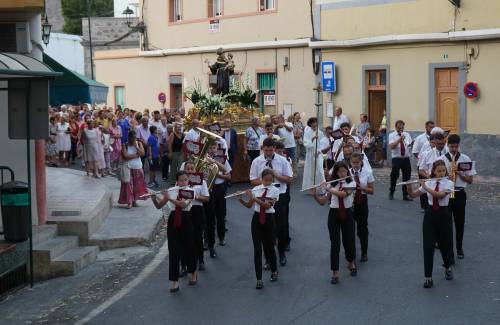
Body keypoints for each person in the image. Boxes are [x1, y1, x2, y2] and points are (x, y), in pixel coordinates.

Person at [408, 160, 454, 288]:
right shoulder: (429, 182)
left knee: (445, 244)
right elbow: (413, 195)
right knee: (428, 246)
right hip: (430, 216)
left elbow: (439, 196)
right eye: (438, 171)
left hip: (444, 215)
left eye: (443, 171)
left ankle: (448, 267)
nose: (441, 173)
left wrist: (426, 187)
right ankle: (428, 277)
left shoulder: (449, 183)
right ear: (433, 171)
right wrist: (408, 186)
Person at [150, 171, 198, 292]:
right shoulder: (172, 190)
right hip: (173, 220)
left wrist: (169, 198)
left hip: (186, 218)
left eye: (185, 180)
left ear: (188, 180)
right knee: (173, 250)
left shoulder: (190, 191)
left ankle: (192, 272)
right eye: (181, 180)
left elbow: (182, 205)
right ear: (177, 181)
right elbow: (159, 206)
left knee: (189, 248)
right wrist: (153, 198)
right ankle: (174, 281)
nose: (183, 182)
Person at [311, 161, 357, 284]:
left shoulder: (351, 182)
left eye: (344, 171)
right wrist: (314, 195)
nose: (343, 173)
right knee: (335, 243)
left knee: (349, 240)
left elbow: (344, 195)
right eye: (340, 171)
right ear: (336, 173)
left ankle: (351, 262)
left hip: (347, 213)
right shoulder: (332, 184)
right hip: (334, 214)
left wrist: (328, 188)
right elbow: (322, 202)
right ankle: (335, 272)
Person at [250, 138, 293, 266]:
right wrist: (266, 182)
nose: (268, 153)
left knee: (280, 226)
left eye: (271, 150)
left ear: (274, 148)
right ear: (263, 148)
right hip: (263, 197)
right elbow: (252, 180)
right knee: (266, 228)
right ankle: (268, 258)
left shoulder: (282, 160)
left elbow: (289, 179)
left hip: (279, 196)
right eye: (266, 150)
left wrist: (276, 176)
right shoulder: (257, 161)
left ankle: (281, 253)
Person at [237, 169, 280, 289]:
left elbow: (267, 206)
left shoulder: (275, 190)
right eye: (265, 180)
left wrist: (254, 198)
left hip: (269, 219)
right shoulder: (256, 189)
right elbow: (249, 205)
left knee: (270, 247)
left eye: (270, 180)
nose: (267, 183)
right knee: (257, 250)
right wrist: (240, 199)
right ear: (261, 179)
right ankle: (259, 279)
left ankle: (274, 271)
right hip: (256, 220)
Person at [438, 134, 476, 261]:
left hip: (459, 193)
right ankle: (449, 252)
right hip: (447, 193)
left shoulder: (465, 159)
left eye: (456, 146)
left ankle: (459, 247)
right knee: (447, 224)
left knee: (460, 223)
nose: (453, 149)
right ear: (447, 145)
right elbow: (437, 178)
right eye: (451, 146)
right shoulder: (442, 159)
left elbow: (470, 180)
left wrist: (458, 172)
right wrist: (446, 176)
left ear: (459, 146)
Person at [206, 142, 232, 258]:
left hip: (219, 188)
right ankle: (208, 241)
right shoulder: (204, 160)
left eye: (214, 147)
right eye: (210, 148)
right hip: (207, 189)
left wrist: (217, 175)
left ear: (217, 149)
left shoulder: (222, 160)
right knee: (208, 217)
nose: (212, 150)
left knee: (220, 214)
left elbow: (228, 176)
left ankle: (221, 237)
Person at [184, 161, 210, 271]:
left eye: (192, 169)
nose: (190, 171)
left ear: (195, 170)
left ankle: (201, 260)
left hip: (197, 210)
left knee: (198, 236)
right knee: (186, 237)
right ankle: (186, 263)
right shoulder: (181, 182)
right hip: (185, 210)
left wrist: (195, 196)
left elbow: (207, 198)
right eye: (187, 169)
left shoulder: (201, 182)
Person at [350, 153, 374, 262]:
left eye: (357, 162)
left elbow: (372, 191)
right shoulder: (347, 173)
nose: (355, 165)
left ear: (361, 162)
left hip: (362, 201)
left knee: (362, 228)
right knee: (349, 228)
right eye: (353, 163)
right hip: (349, 201)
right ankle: (350, 253)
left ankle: (364, 252)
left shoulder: (367, 172)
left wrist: (361, 187)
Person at [118, 130, 148, 209]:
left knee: (137, 186)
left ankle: (134, 201)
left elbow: (143, 154)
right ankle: (129, 202)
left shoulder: (139, 143)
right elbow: (125, 156)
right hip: (128, 167)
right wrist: (136, 155)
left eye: (135, 138)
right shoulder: (125, 145)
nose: (133, 140)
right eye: (132, 138)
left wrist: (136, 147)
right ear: (129, 137)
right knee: (128, 185)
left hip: (138, 167)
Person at [388, 120, 412, 201]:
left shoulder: (407, 134)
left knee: (407, 177)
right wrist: (399, 140)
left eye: (402, 127)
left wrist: (411, 144)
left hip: (406, 158)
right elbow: (391, 146)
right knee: (394, 176)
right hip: (396, 158)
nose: (401, 129)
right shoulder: (392, 135)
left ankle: (405, 194)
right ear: (396, 127)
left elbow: (409, 144)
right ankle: (391, 192)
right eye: (399, 127)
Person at [302, 117, 325, 191]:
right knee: (311, 170)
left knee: (319, 169)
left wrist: (319, 150)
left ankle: (321, 187)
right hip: (310, 153)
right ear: (311, 124)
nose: (315, 124)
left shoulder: (320, 132)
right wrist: (312, 140)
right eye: (313, 122)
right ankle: (311, 188)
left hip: (318, 153)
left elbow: (322, 143)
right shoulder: (307, 132)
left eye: (316, 122)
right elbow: (305, 142)